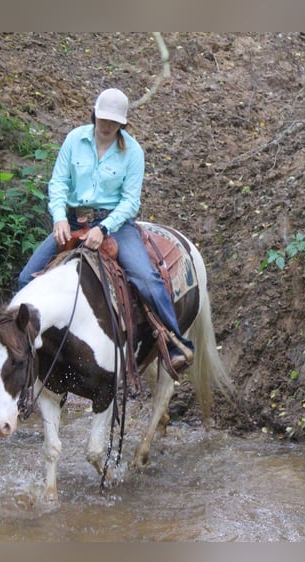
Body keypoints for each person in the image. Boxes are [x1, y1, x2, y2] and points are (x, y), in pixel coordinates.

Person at [18, 88, 193, 371]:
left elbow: (130, 201)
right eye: (103, 118)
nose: (107, 124)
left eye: (114, 121)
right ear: (95, 113)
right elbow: (59, 182)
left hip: (115, 224)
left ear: (123, 123)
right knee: (26, 279)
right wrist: (59, 217)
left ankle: (175, 341)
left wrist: (104, 227)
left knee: (146, 278)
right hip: (73, 221)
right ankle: (30, 349)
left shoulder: (133, 152)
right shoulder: (75, 139)